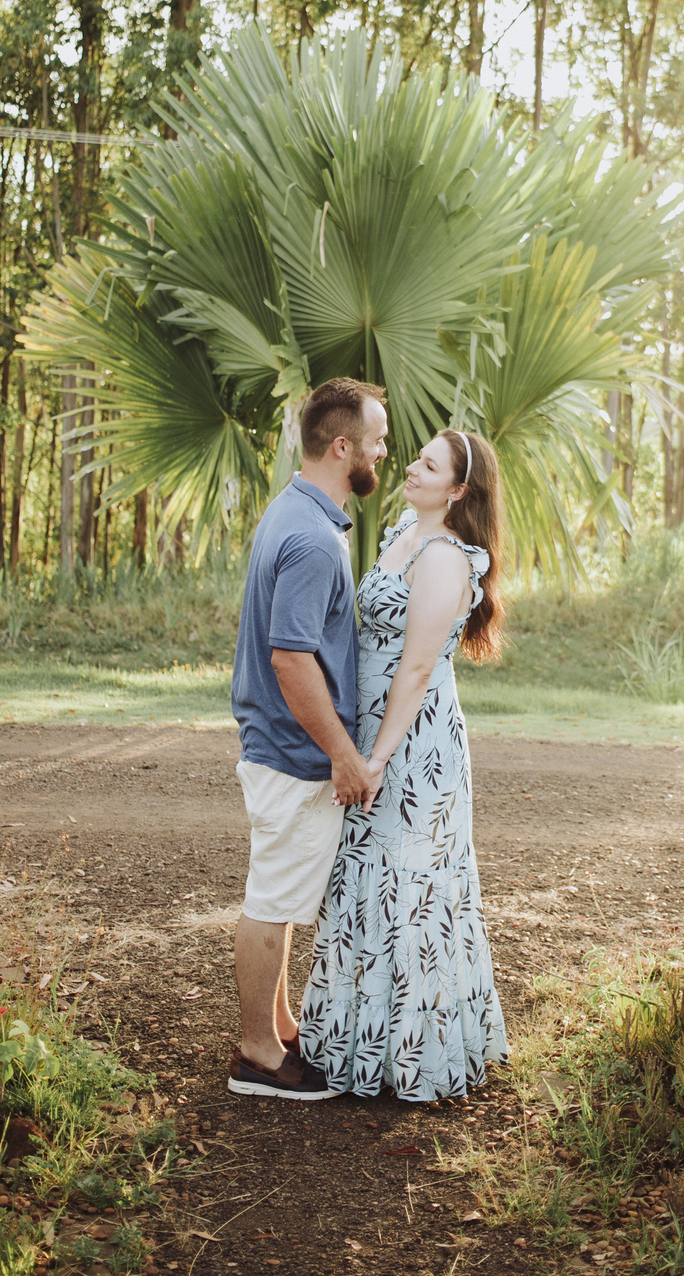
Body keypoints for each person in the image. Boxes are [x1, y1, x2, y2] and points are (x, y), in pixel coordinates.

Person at [299, 427, 509, 1101]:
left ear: (459, 490)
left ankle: (414, 1055)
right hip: (369, 732)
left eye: (430, 465)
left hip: (412, 746)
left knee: (408, 884)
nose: (412, 468)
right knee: (364, 875)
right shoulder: (403, 533)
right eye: (417, 457)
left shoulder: (446, 558)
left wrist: (377, 758)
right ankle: (356, 1042)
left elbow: (416, 670)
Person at [228, 377, 388, 1101]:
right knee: (272, 897)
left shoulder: (294, 509)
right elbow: (291, 659)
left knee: (286, 891)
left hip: (282, 746)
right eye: (376, 440)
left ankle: (280, 1025)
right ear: (343, 446)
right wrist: (343, 755)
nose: (383, 452)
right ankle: (258, 1055)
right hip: (293, 754)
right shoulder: (315, 541)